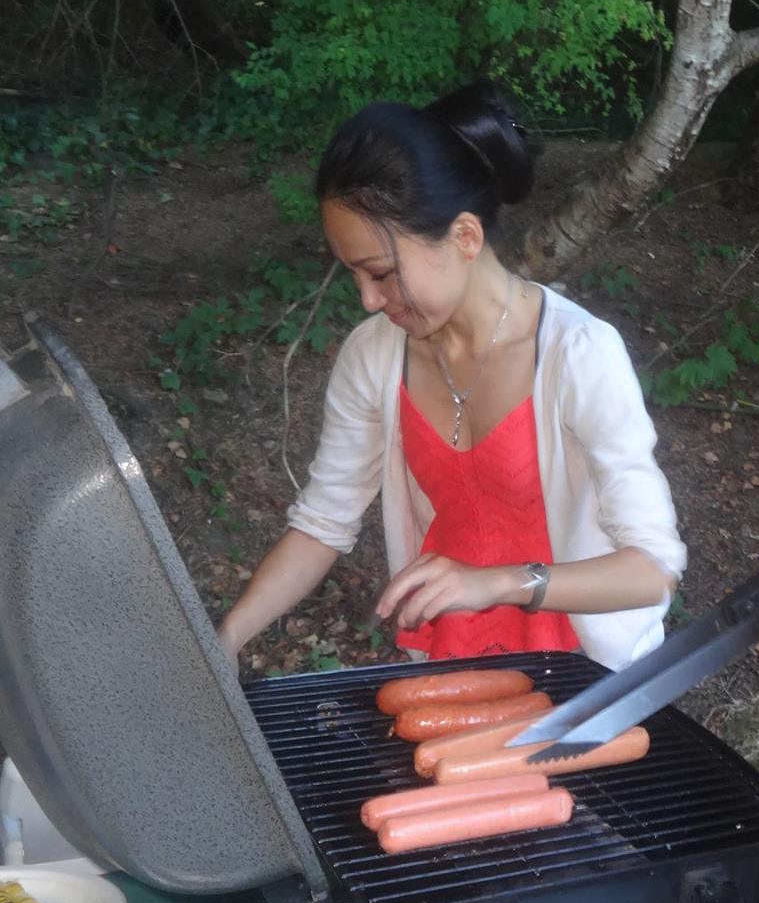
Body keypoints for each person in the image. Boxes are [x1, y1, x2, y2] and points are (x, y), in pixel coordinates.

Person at [220, 80, 684, 670]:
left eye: (382, 273)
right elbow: (322, 523)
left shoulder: (579, 354)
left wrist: (499, 583)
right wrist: (228, 636)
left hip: (585, 678)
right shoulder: (374, 356)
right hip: (449, 665)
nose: (366, 299)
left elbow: (652, 569)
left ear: (465, 236)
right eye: (353, 276)